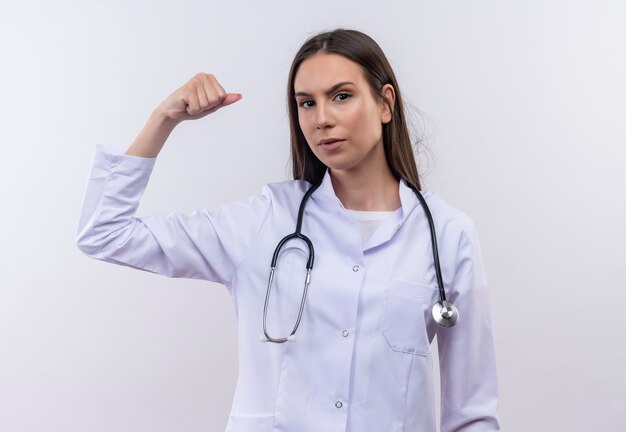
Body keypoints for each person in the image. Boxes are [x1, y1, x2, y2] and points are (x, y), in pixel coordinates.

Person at [77, 28, 501, 432]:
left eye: (341, 96)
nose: (322, 119)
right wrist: (164, 118)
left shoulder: (447, 235)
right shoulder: (265, 221)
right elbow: (104, 232)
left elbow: (472, 415)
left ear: (385, 103)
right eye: (306, 103)